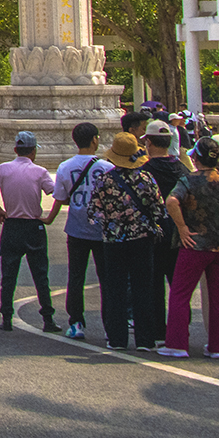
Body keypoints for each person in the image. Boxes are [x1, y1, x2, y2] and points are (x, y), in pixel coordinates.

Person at [160, 136, 219, 358]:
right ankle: (217, 347)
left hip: (195, 244)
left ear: (196, 157)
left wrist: (182, 228)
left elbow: (171, 201)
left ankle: (177, 344)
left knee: (180, 294)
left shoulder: (189, 180)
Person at [86, 132, 163, 350]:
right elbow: (159, 209)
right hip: (142, 238)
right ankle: (145, 339)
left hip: (114, 239)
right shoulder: (146, 179)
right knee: (143, 288)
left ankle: (117, 338)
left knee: (115, 289)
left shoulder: (105, 180)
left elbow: (94, 212)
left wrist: (112, 221)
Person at [0, 130, 61, 332]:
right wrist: (50, 217)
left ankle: (6, 317)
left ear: (15, 149)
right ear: (33, 152)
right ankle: (48, 319)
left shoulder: (3, 169)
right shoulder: (40, 172)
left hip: (12, 224)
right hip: (33, 225)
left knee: (8, 275)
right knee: (41, 276)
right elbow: (58, 194)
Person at [51, 121, 111, 340]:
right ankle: (110, 324)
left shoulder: (65, 167)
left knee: (76, 276)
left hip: (76, 227)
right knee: (107, 278)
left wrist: (50, 217)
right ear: (95, 139)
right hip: (102, 229)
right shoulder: (107, 167)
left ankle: (76, 321)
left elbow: (61, 197)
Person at [136, 119, 187, 350]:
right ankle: (180, 329)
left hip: (153, 234)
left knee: (153, 285)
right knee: (179, 286)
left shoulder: (144, 172)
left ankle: (157, 330)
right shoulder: (183, 170)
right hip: (179, 234)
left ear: (148, 142)